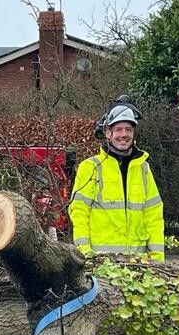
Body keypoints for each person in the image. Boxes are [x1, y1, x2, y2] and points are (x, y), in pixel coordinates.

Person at [69, 102, 164, 260]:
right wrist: (85, 253)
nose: (124, 134)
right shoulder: (90, 167)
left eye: (128, 129)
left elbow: (153, 216)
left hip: (138, 264)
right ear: (108, 133)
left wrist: (157, 260)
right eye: (118, 129)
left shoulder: (143, 169)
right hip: (101, 263)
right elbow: (79, 213)